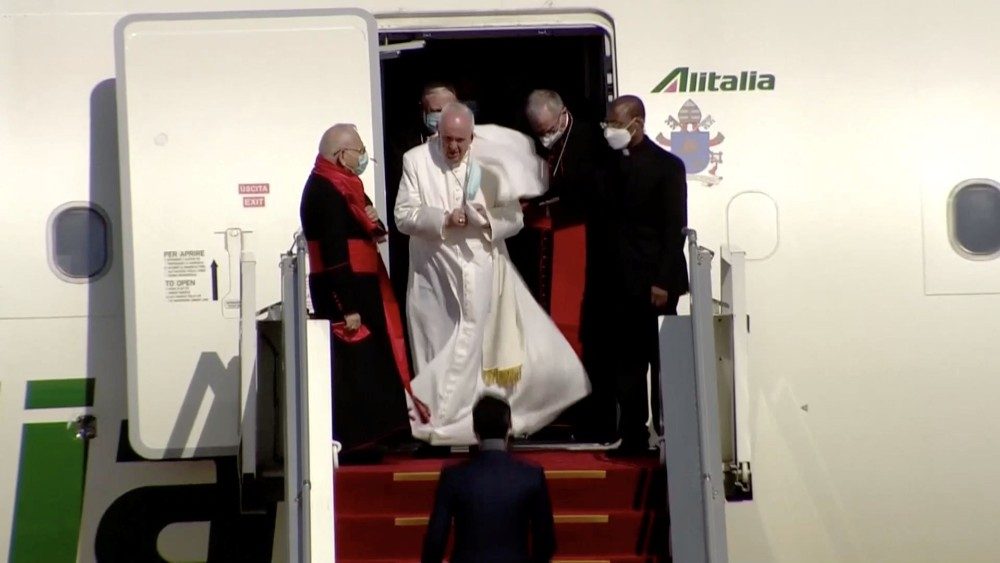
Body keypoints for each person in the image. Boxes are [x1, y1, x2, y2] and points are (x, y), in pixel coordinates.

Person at [394, 102, 589, 445]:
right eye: (447, 140)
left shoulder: (489, 163)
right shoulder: (416, 160)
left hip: (482, 268)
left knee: (478, 346)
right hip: (434, 276)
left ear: (472, 137)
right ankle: (438, 422)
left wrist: (486, 219)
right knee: (438, 347)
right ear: (437, 134)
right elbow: (403, 216)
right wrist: (441, 218)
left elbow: (514, 219)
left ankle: (464, 422)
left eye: (460, 140)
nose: (453, 148)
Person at [299, 124, 429, 460]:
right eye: (358, 151)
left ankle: (387, 431)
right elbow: (334, 253)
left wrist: (373, 219)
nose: (362, 158)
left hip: (367, 282)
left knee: (377, 360)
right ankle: (360, 441)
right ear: (341, 154)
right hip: (346, 288)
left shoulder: (347, 185)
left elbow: (372, 227)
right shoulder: (323, 190)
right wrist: (347, 306)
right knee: (357, 366)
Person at [599, 95, 689, 455]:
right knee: (628, 363)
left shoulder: (668, 166)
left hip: (655, 282)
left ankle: (669, 433)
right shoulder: (609, 165)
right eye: (609, 124)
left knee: (662, 361)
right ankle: (633, 435)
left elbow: (674, 227)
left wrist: (663, 281)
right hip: (621, 283)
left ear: (637, 122)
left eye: (617, 125)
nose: (611, 131)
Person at [421, 395, 556, 563]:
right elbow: (546, 542)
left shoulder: (454, 476)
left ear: (475, 430)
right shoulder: (531, 476)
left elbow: (435, 540)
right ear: (509, 427)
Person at [386, 82, 459, 308]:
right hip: (423, 248)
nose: (441, 116)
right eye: (435, 111)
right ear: (423, 111)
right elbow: (404, 207)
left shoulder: (473, 143)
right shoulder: (405, 148)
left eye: (446, 110)